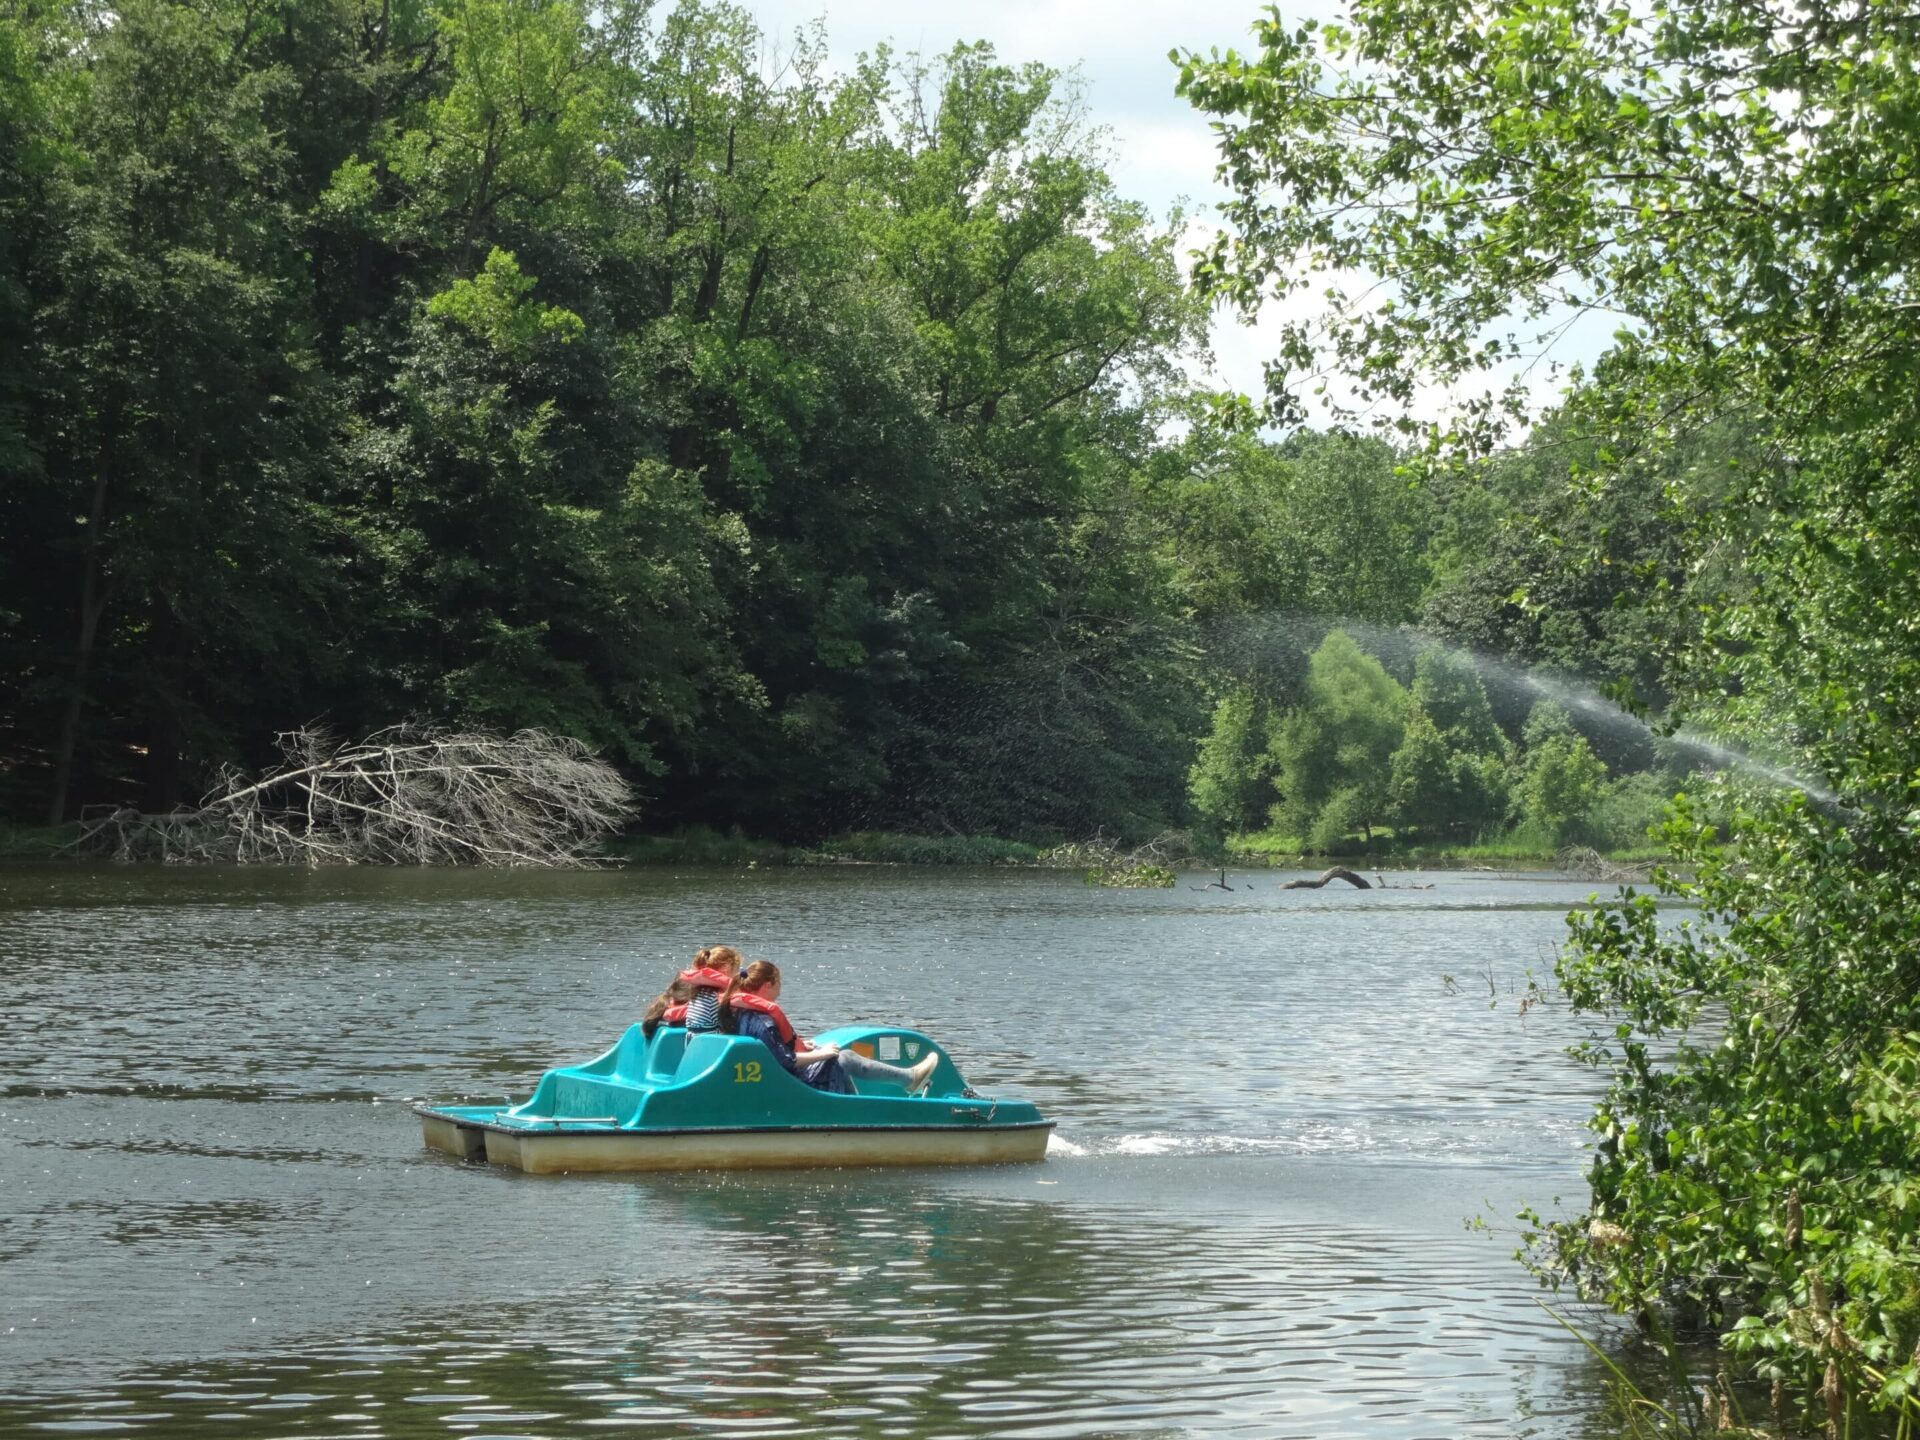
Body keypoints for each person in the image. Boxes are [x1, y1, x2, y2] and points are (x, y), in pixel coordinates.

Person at [722, 959, 937, 1095]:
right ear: (768, 985)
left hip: (775, 1079)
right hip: (790, 1085)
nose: (780, 989)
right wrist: (823, 1054)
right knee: (841, 1058)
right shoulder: (763, 1022)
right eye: (779, 983)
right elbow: (786, 1061)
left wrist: (801, 1046)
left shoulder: (741, 1013)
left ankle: (863, 1101)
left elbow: (775, 1049)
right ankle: (910, 1079)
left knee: (835, 1057)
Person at [680, 945, 741, 1034]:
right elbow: (726, 1023)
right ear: (727, 969)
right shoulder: (715, 996)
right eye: (735, 971)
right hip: (710, 1040)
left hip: (692, 1039)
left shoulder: (698, 991)